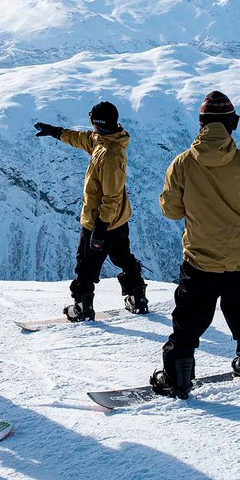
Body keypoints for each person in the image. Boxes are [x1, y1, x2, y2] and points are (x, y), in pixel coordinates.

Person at [150, 91, 240, 399]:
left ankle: (178, 377)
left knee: (188, 321)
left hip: (201, 259)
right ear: (231, 125)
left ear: (201, 124)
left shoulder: (182, 164)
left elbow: (171, 211)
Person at [34, 101, 148, 321]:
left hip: (101, 221)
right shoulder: (104, 141)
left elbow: (112, 196)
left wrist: (100, 227)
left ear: (96, 122)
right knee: (122, 256)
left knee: (85, 265)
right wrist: (56, 132)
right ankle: (137, 296)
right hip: (118, 219)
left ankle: (82, 308)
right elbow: (81, 138)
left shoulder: (110, 154)